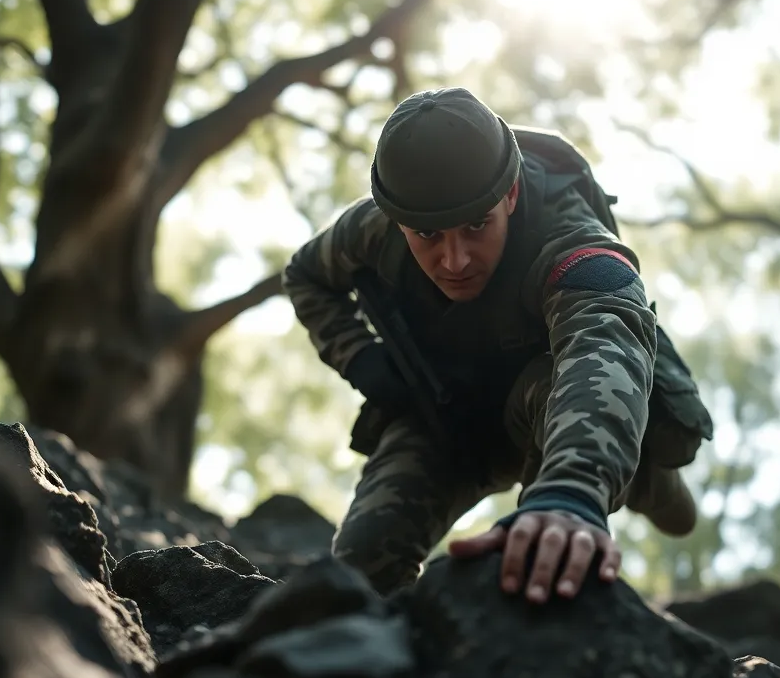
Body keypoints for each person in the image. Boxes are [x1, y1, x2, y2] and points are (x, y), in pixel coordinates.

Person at [281, 86, 714, 602]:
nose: (455, 259)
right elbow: (306, 275)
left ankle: (640, 474)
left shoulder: (572, 237)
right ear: (397, 220)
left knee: (579, 539)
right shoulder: (372, 229)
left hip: (550, 405)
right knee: (358, 572)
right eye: (427, 236)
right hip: (445, 415)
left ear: (509, 194)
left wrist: (571, 494)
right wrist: (359, 357)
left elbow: (604, 342)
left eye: (477, 224)